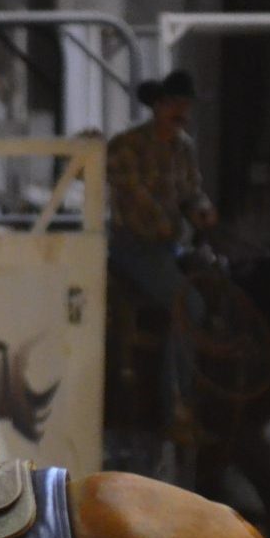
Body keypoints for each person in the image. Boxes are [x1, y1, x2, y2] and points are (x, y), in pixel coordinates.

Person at [107, 70, 218, 440]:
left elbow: (191, 192)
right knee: (190, 305)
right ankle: (179, 404)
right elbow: (139, 203)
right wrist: (178, 216)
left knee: (217, 285)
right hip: (132, 244)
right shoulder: (127, 147)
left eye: (185, 105)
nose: (181, 111)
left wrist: (200, 208)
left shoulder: (184, 148)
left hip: (167, 246)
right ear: (158, 105)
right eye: (175, 104)